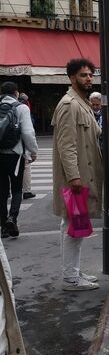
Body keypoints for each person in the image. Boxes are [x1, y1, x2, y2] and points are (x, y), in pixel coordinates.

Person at [52, 59, 104, 291]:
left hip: (83, 176)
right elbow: (67, 145)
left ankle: (73, 271)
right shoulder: (69, 105)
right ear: (72, 77)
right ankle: (71, 278)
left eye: (90, 74)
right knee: (73, 227)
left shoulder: (82, 103)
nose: (89, 78)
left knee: (76, 227)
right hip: (77, 179)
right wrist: (74, 178)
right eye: (83, 75)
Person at [0, 82, 38, 238]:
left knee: (2, 191)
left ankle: (3, 226)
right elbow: (28, 133)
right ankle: (12, 218)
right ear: (16, 93)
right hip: (15, 155)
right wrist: (33, 151)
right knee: (17, 189)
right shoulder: (21, 108)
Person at [18, 93, 36, 200]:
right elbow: (28, 132)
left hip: (4, 145)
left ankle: (7, 191)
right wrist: (33, 151)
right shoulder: (23, 107)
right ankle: (26, 191)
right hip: (20, 145)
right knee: (26, 167)